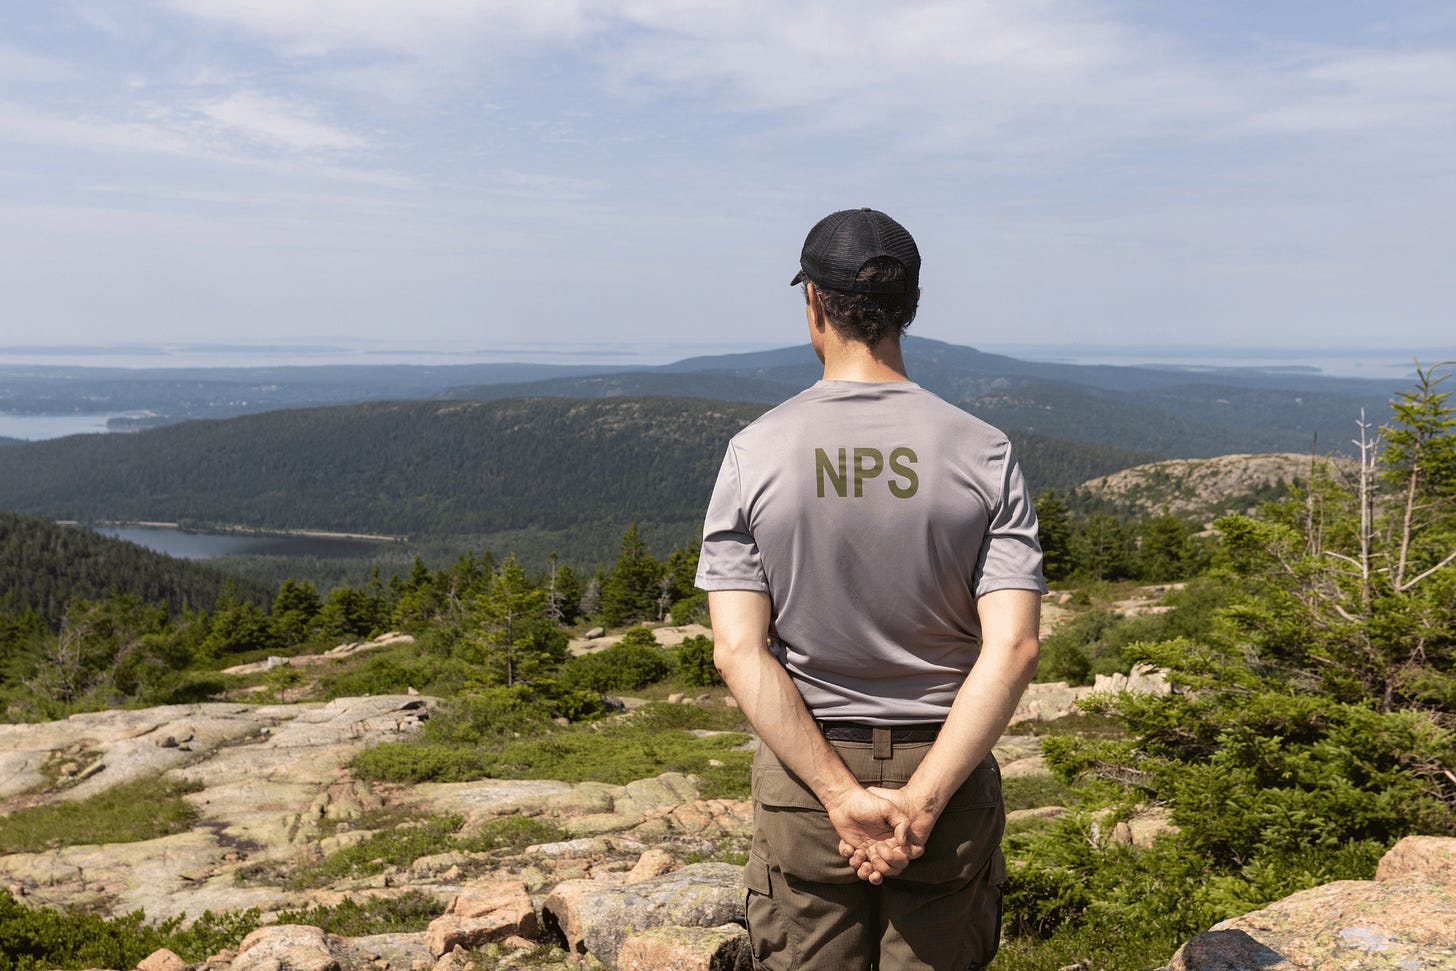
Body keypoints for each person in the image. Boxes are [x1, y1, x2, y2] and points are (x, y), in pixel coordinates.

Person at [695, 207, 1045, 970]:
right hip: (947, 784)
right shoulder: (985, 452)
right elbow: (1013, 645)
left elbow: (736, 649)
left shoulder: (755, 453)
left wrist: (837, 795)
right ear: (909, 309)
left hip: (806, 783)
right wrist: (921, 802)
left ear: (813, 304)